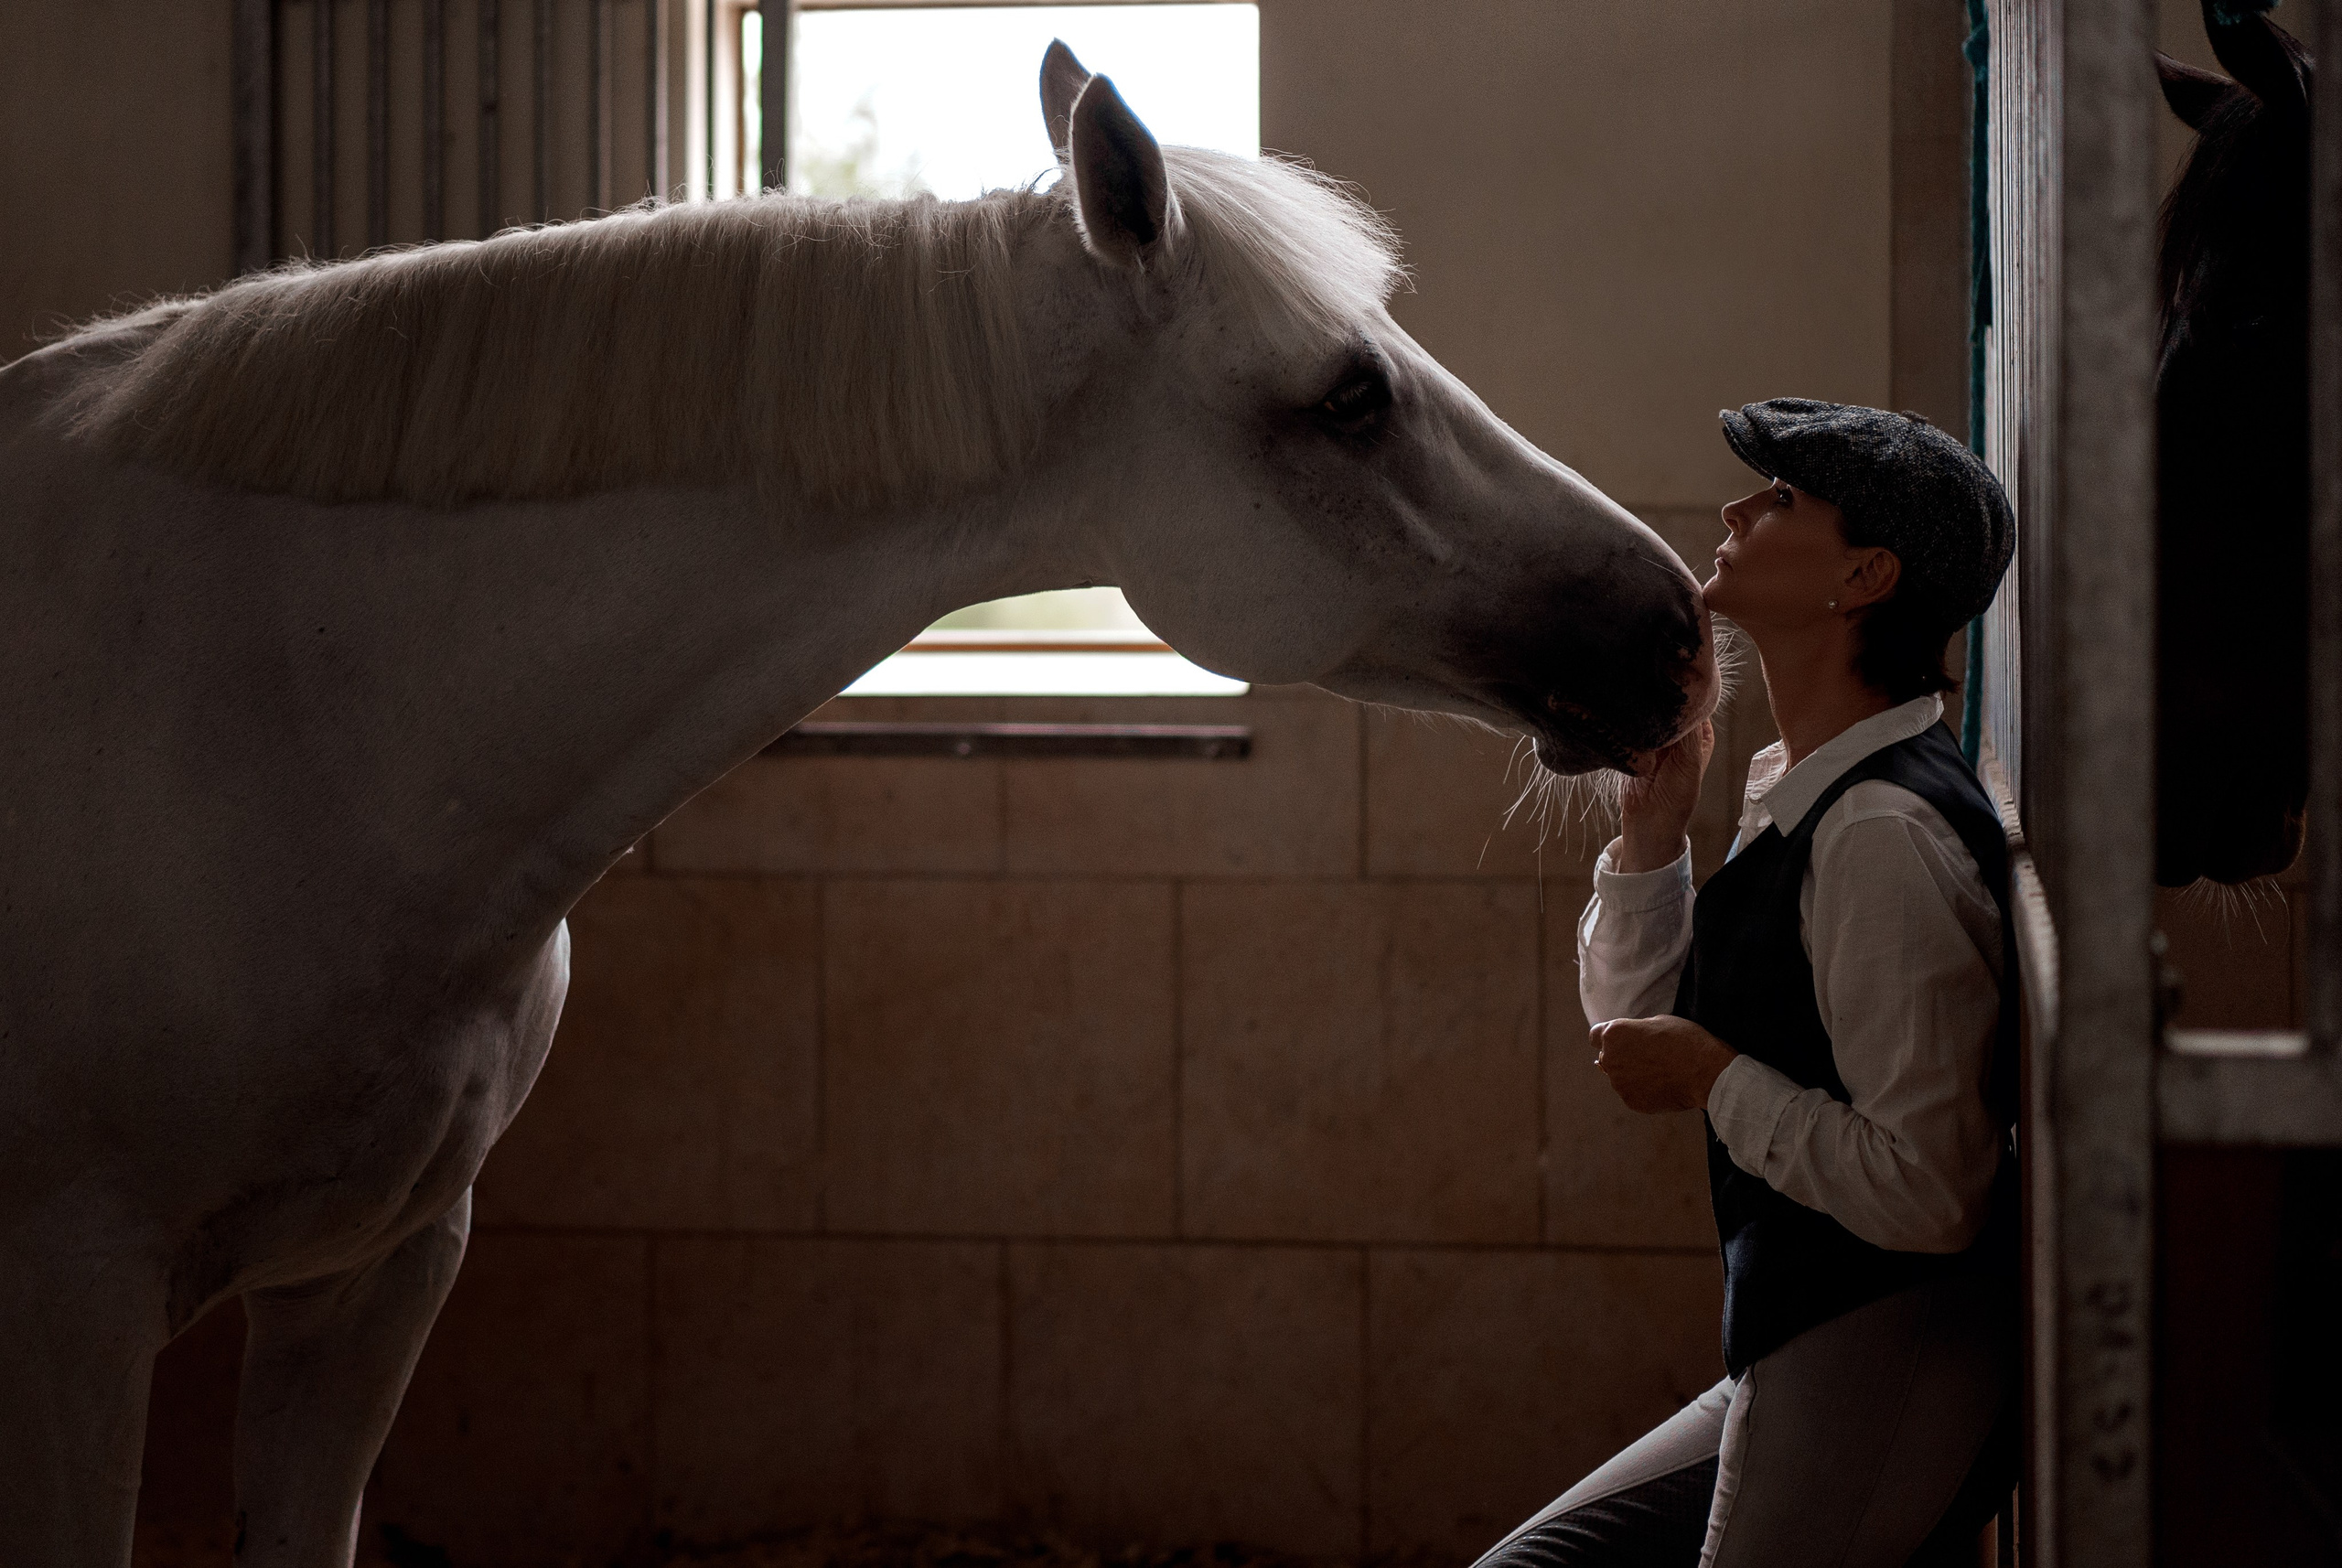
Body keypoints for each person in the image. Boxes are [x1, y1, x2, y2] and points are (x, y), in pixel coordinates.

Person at [1475, 400, 2021, 1567]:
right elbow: (1634, 1027)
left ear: (1863, 575)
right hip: (1805, 1334)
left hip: (1885, 1347)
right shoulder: (1802, 780)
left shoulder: (1878, 831)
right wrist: (1652, 838)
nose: (1733, 510)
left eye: (1779, 500)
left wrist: (1718, 1080)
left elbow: (1934, 1192)